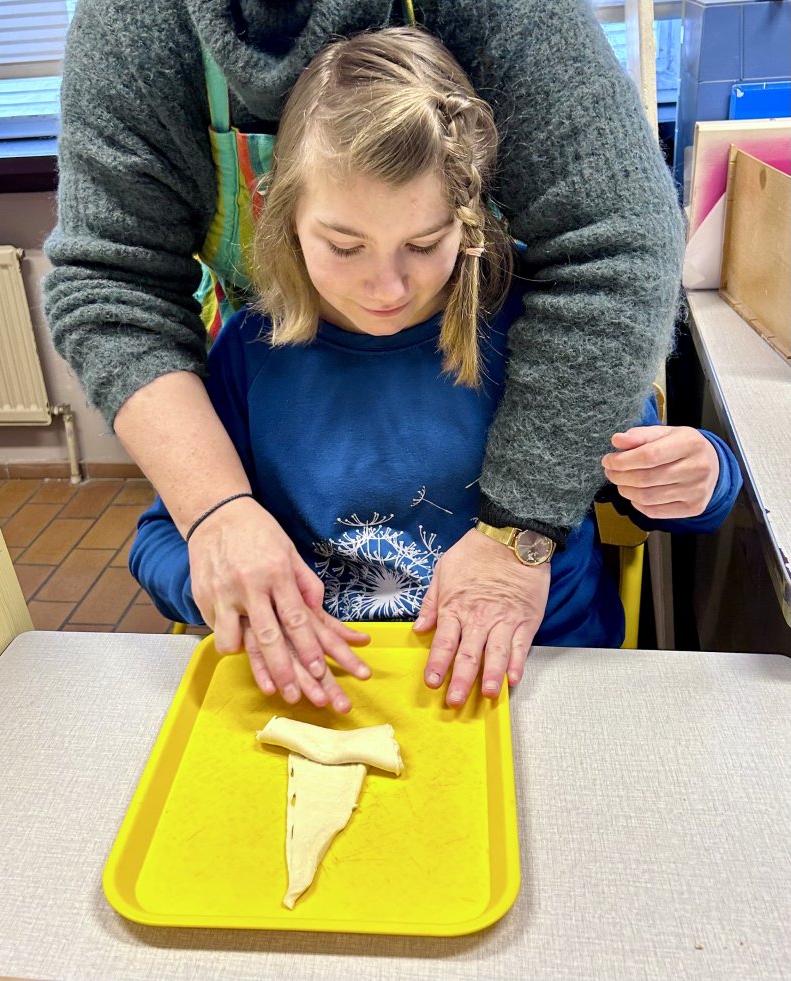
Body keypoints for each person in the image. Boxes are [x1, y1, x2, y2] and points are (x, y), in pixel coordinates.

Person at [43, 0, 687, 705]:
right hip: (337, 696)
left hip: (536, 678)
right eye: (345, 246)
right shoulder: (249, 359)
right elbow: (162, 537)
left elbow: (654, 470)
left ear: (467, 219)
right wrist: (219, 533)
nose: (386, 286)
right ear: (286, 223)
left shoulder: (520, 329)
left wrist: (698, 478)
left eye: (422, 243)